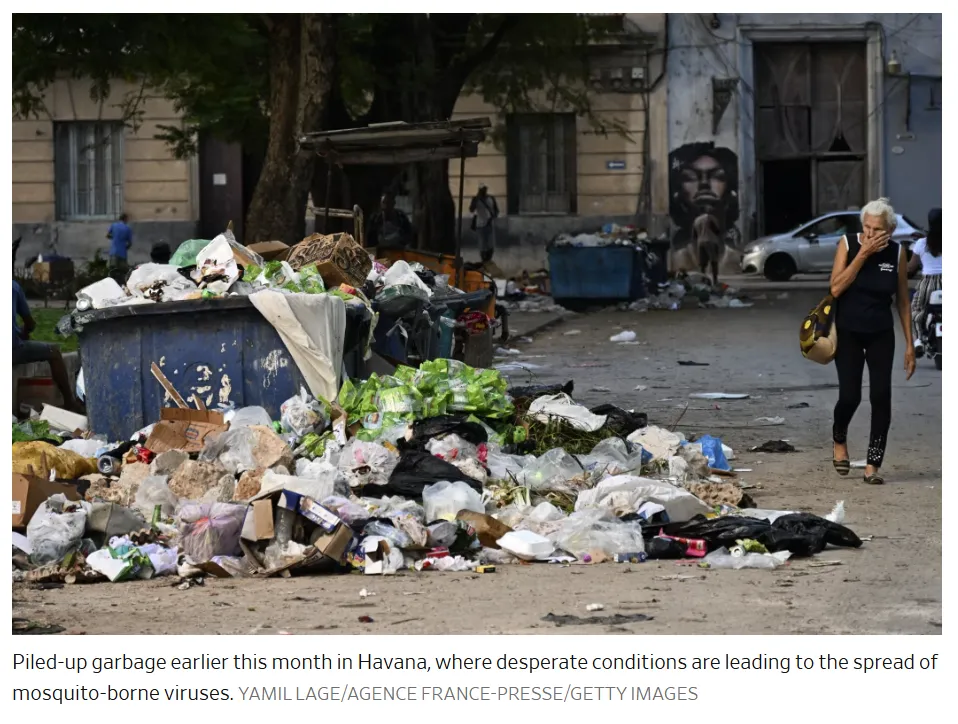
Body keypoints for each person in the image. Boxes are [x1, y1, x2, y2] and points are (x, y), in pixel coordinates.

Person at [829, 198, 915, 486]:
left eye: (876, 229)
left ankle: (872, 465)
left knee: (881, 397)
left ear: (889, 231)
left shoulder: (897, 253)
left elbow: (903, 302)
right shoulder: (848, 243)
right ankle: (839, 437)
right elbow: (836, 287)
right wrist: (863, 254)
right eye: (866, 226)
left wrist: (910, 345)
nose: (870, 233)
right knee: (850, 396)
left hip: (881, 333)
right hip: (848, 331)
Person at [12, 280, 83, 414]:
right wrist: (24, 333)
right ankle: (69, 401)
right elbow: (30, 323)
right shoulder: (13, 287)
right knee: (54, 351)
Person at [907, 208, 942, 356]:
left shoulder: (921, 243)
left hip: (927, 283)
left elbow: (911, 267)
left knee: (915, 311)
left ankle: (918, 341)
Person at [469, 183, 499, 263]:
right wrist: (477, 198)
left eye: (484, 189)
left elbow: (496, 210)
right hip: (480, 225)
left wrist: (492, 217)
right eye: (482, 190)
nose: (483, 191)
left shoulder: (491, 198)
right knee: (482, 245)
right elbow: (471, 209)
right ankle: (484, 261)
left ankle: (488, 260)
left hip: (489, 224)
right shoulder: (476, 199)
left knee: (490, 245)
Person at [107, 213, 133, 280]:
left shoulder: (114, 225)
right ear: (125, 219)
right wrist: (126, 248)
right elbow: (129, 243)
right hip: (122, 253)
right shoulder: (127, 228)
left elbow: (108, 235)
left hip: (113, 252)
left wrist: (114, 238)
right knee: (122, 272)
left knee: (112, 271)